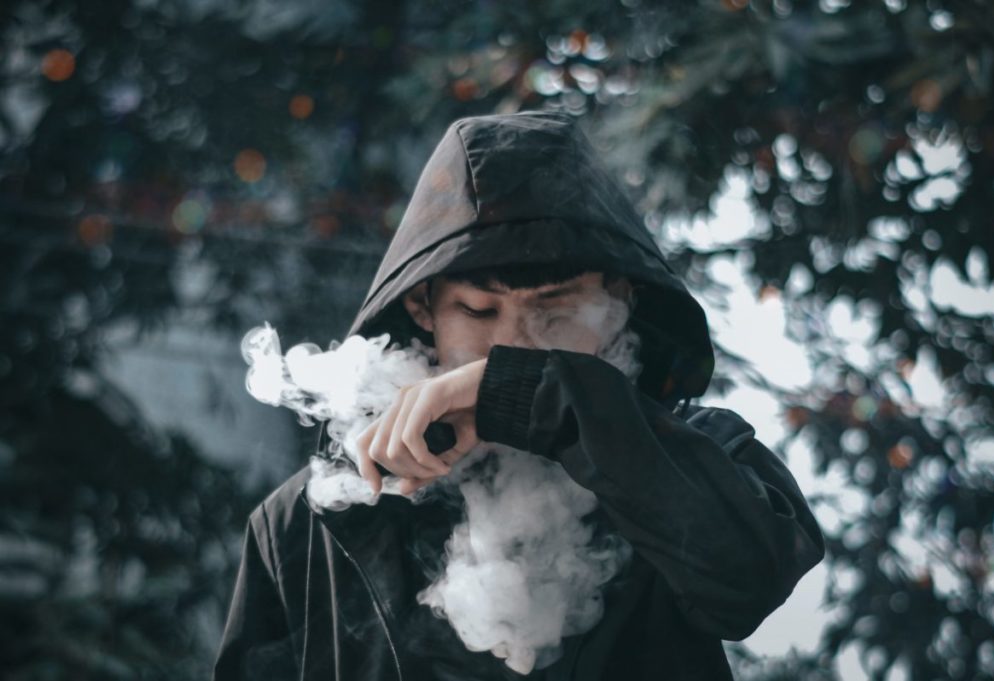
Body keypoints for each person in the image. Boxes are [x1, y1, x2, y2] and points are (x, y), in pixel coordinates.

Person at [212, 109, 825, 681]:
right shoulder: (305, 522)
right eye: (479, 311)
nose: (515, 343)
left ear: (621, 300)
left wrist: (526, 394)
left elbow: (750, 580)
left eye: (555, 309)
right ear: (423, 307)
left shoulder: (696, 456)